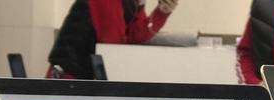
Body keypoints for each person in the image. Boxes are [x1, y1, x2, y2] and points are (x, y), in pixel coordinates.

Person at [47, 0, 179, 79]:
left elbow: (135, 35)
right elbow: (113, 44)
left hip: (81, 77)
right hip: (69, 78)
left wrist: (161, 12)